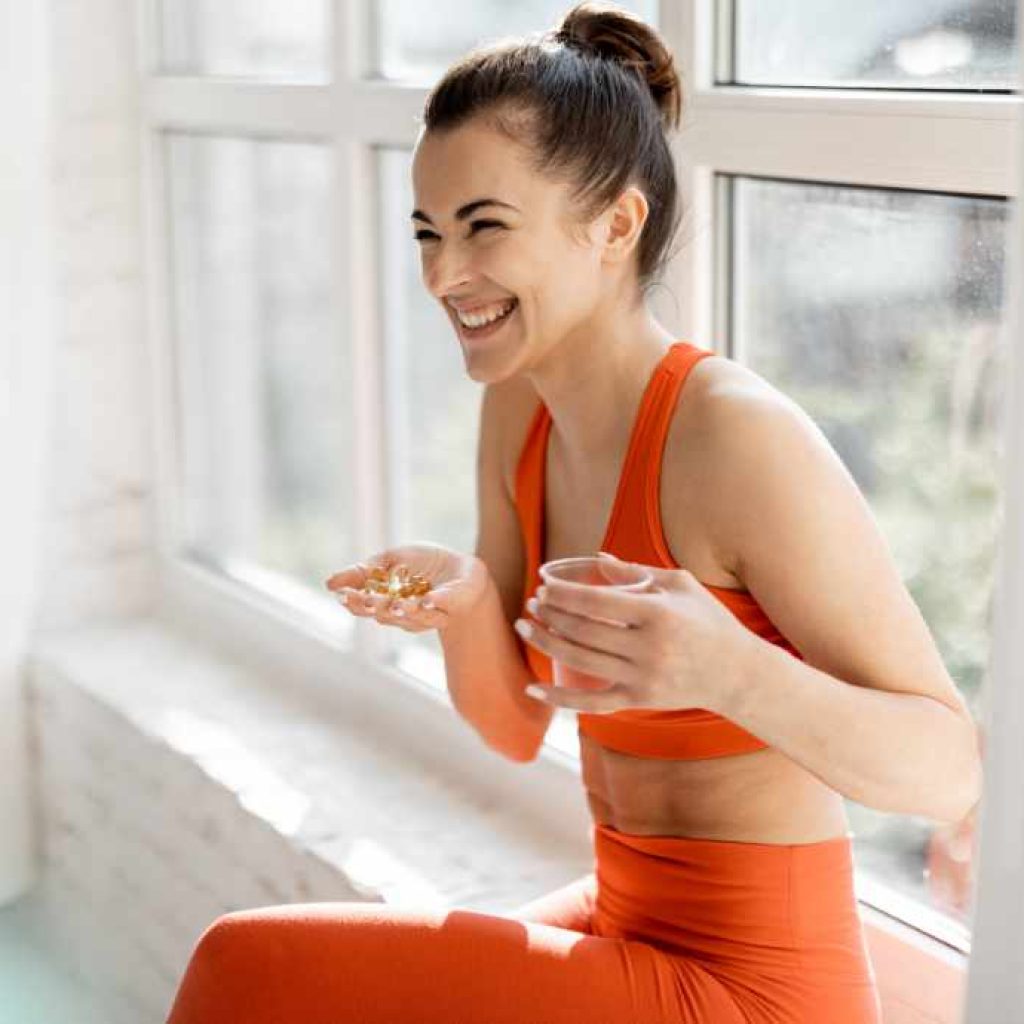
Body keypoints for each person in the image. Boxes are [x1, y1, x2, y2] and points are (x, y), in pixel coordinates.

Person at [165, 3, 983, 1021]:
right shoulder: (521, 406)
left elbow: (949, 769)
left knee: (247, 970)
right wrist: (466, 605)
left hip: (757, 986)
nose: (440, 275)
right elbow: (513, 726)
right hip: (623, 918)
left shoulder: (732, 437)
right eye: (426, 232)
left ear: (616, 225)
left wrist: (724, 668)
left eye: (483, 228)